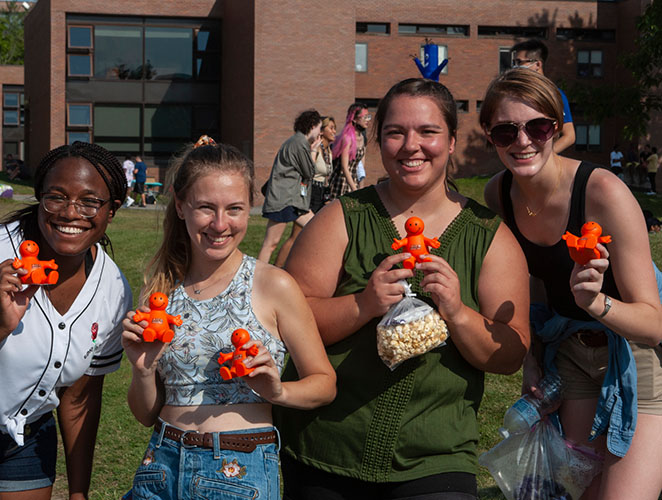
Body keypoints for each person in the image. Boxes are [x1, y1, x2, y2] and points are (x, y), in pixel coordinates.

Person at [274, 78, 531, 499]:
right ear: (379, 141)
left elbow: (511, 353)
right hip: (326, 449)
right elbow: (291, 320)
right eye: (396, 132)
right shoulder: (343, 217)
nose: (411, 146)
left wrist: (457, 311)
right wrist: (363, 303)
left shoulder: (489, 236)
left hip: (435, 456)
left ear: (450, 142)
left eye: (428, 132)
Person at [0, 141, 133, 499]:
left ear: (112, 210)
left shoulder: (113, 288)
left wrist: (79, 492)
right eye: (56, 197)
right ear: (39, 197)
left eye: (90, 201)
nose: (70, 212)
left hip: (28, 434)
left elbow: (79, 398)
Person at [480, 68, 662, 500]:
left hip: (636, 358)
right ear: (489, 136)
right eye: (506, 131)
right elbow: (532, 284)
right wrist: (531, 359)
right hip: (572, 357)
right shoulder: (498, 195)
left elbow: (655, 324)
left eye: (538, 127)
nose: (522, 141)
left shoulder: (603, 192)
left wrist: (596, 302)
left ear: (556, 128)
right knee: (579, 490)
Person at [121, 139, 336, 500]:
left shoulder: (273, 285)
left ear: (249, 207)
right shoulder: (160, 293)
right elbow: (145, 414)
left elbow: (324, 383)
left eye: (234, 209)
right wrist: (143, 371)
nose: (220, 224)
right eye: (205, 207)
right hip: (160, 463)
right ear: (180, 205)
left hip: (237, 467)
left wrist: (278, 391)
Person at [258, 109, 322, 265]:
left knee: (316, 229)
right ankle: (256, 278)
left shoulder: (298, 142)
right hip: (284, 200)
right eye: (319, 128)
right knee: (271, 243)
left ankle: (298, 267)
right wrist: (314, 151)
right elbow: (309, 172)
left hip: (293, 201)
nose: (320, 132)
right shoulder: (299, 143)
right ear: (312, 126)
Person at [511, 39, 575, 154]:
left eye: (520, 62)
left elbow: (569, 136)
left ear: (537, 64)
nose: (516, 67)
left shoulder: (553, 94)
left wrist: (544, 158)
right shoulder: (515, 92)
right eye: (514, 62)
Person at [325, 103, 370, 202]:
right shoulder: (347, 138)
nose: (367, 120)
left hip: (353, 181)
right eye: (365, 117)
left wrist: (360, 188)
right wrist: (355, 190)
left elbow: (361, 166)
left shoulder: (363, 138)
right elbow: (344, 167)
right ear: (354, 119)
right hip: (340, 182)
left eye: (368, 117)